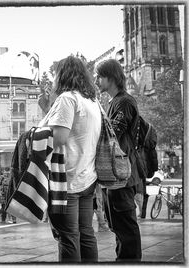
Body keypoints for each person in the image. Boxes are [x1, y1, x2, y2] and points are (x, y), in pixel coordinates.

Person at [38, 55, 101, 262]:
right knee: (86, 233)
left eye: (56, 74)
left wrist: (34, 134)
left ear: (62, 75)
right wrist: (49, 109)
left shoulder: (67, 99)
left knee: (68, 237)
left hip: (67, 180)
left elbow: (60, 137)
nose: (54, 78)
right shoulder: (92, 101)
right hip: (87, 178)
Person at [95, 59, 142, 261]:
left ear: (111, 77)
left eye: (99, 76)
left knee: (126, 226)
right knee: (118, 225)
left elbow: (111, 133)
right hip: (116, 174)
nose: (96, 80)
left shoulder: (124, 102)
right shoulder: (115, 101)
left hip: (123, 174)